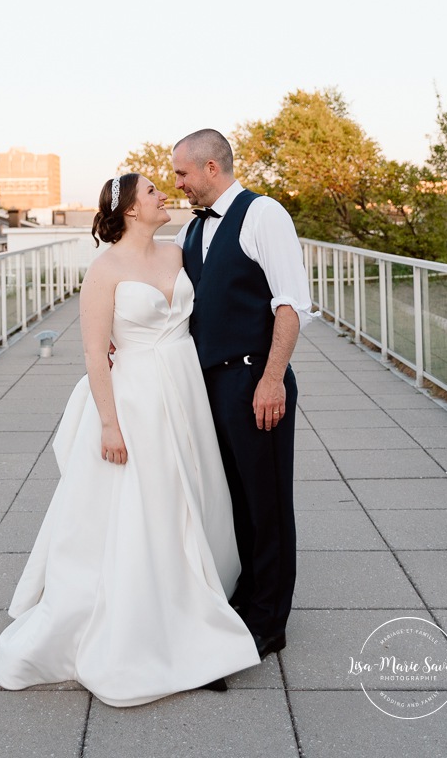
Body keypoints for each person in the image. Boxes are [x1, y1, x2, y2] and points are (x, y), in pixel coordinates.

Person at [0, 172, 260, 707]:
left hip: (184, 390)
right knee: (148, 503)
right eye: (155, 192)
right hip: (135, 400)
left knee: (192, 493)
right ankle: (144, 620)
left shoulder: (181, 252)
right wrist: (110, 425)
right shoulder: (104, 269)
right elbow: (95, 353)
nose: (166, 197)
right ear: (132, 210)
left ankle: (195, 598)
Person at [172, 129, 316, 660]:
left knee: (267, 501)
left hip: (257, 380)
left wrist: (273, 378)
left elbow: (290, 304)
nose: (178, 184)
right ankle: (247, 597)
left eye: (183, 174)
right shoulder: (192, 230)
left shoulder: (264, 215)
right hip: (209, 383)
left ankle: (269, 622)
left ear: (213, 168)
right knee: (234, 497)